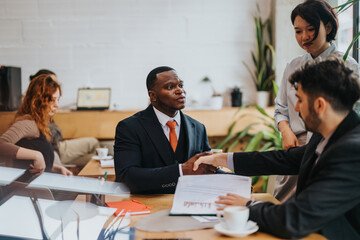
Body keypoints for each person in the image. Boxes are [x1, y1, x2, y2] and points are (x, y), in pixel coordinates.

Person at [193, 59, 360, 239]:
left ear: (320, 105)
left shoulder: (351, 151)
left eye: (300, 100)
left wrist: (248, 205)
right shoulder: (328, 135)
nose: (295, 108)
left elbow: (295, 219)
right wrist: (222, 158)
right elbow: (285, 159)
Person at [273, 0, 359, 202]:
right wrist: (285, 130)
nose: (304, 37)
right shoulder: (293, 66)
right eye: (298, 31)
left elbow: (353, 116)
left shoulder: (347, 66)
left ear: (328, 27)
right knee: (281, 207)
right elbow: (281, 108)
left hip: (330, 151)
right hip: (295, 148)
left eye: (310, 29)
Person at [114, 66, 215, 194]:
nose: (180, 90)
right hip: (148, 205)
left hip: (191, 202)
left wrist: (237, 180)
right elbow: (126, 177)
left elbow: (207, 169)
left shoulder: (198, 128)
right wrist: (180, 171)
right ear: (153, 96)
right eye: (170, 87)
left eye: (181, 85)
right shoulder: (129, 127)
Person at [0, 74, 72, 175]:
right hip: (29, 190)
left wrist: (57, 168)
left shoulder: (40, 124)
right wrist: (36, 155)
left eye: (58, 100)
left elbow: (31, 165)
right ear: (39, 100)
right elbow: (1, 144)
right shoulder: (28, 123)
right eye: (52, 100)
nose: (57, 105)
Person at [29, 69, 100, 168]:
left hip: (57, 147)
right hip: (56, 148)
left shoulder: (47, 110)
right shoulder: (31, 116)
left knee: (93, 158)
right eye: (53, 83)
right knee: (93, 142)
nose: (56, 104)